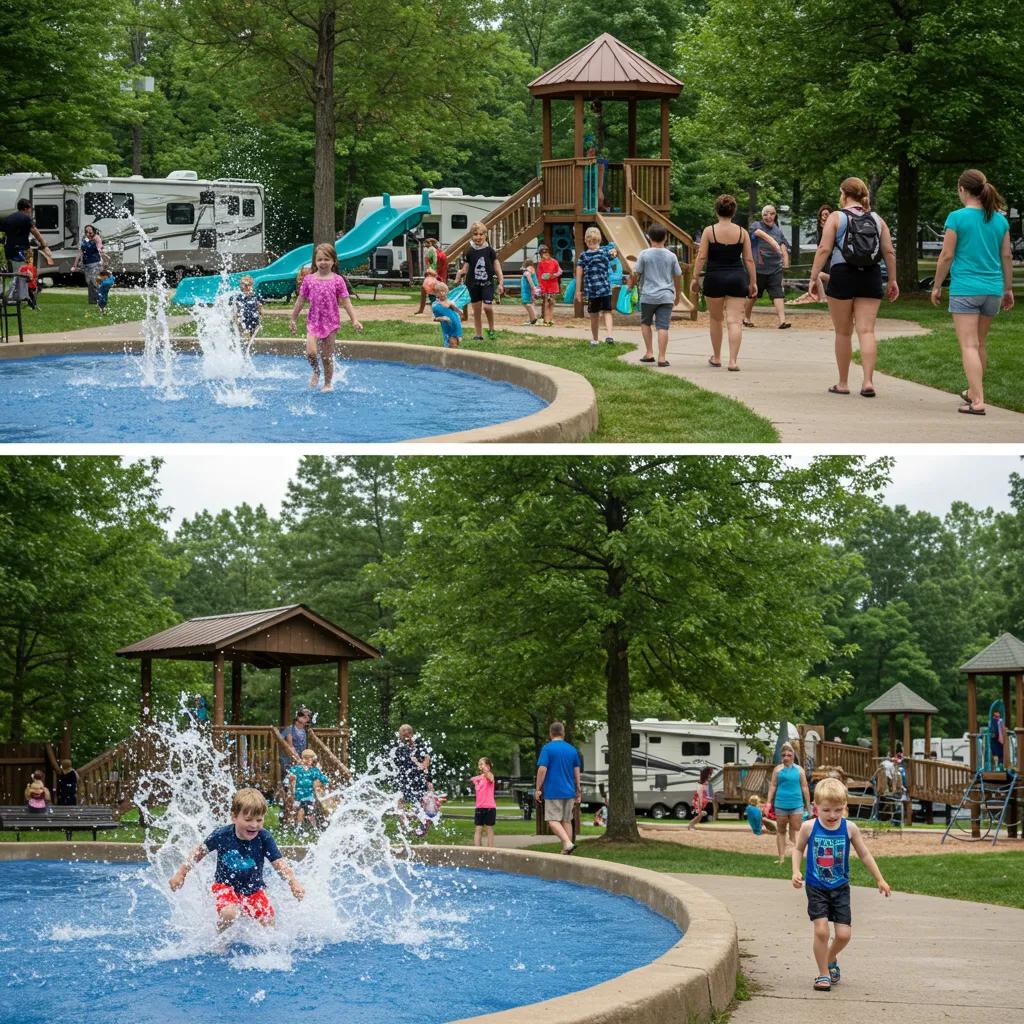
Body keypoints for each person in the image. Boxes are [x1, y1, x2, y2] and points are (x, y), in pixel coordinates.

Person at [792, 777, 891, 992]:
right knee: (821, 932)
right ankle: (823, 974)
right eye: (826, 810)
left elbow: (864, 854)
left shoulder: (850, 828)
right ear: (816, 806)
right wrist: (795, 871)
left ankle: (830, 958)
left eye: (838, 810)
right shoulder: (809, 827)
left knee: (844, 935)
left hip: (840, 888)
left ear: (845, 806)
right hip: (816, 886)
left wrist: (880, 879)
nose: (832, 815)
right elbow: (798, 849)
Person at [930, 169, 1014, 416]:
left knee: (968, 345)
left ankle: (978, 400)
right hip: (992, 289)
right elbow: (1006, 255)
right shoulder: (1000, 220)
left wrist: (936, 285)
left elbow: (946, 255)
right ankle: (971, 390)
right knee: (980, 344)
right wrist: (1008, 288)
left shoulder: (957, 218)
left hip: (966, 288)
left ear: (962, 190)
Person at [809, 177, 899, 398]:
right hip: (871, 275)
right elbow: (889, 252)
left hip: (843, 274)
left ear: (844, 194)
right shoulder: (877, 219)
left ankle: (843, 382)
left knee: (843, 331)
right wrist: (893, 280)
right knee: (867, 331)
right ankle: (868, 382)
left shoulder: (836, 217)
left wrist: (813, 277)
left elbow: (823, 249)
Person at [168, 787, 304, 931]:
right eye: (248, 819)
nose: (254, 825)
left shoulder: (264, 838)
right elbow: (198, 853)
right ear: (234, 817)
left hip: (254, 889)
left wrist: (293, 882)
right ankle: (220, 938)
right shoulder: (221, 835)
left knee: (268, 922)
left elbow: (279, 864)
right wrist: (181, 873)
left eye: (259, 819)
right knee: (230, 913)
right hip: (225, 886)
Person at [690, 196, 757, 371]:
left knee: (716, 319)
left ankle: (717, 357)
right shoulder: (743, 232)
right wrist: (753, 282)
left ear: (716, 210)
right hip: (737, 277)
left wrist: (695, 278)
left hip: (715, 278)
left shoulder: (709, 231)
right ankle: (733, 361)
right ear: (734, 211)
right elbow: (749, 260)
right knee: (734, 321)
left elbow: (702, 256)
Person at [289, 243, 364, 392]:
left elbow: (346, 301)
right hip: (313, 322)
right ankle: (316, 371)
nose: (323, 262)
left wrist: (354, 319)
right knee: (311, 352)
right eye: (320, 259)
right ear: (315, 262)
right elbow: (300, 300)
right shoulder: (309, 279)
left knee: (327, 357)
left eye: (326, 259)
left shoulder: (338, 280)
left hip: (331, 323)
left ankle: (328, 383)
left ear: (333, 261)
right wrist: (293, 318)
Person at [628, 223, 684, 367]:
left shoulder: (644, 254)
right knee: (663, 326)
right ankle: (662, 357)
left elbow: (636, 273)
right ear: (665, 238)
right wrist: (677, 294)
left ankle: (649, 352)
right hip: (666, 296)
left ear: (648, 237)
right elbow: (678, 276)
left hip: (648, 296)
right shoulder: (671, 256)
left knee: (646, 323)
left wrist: (630, 285)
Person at [535, 721, 582, 855]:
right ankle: (567, 850)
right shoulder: (572, 750)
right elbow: (576, 771)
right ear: (563, 733)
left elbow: (542, 769)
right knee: (566, 820)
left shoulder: (547, 748)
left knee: (552, 820)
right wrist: (578, 789)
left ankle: (567, 843)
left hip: (553, 791)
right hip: (569, 791)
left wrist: (538, 788)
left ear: (551, 734)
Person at [743, 204, 791, 329]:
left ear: (775, 215)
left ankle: (782, 321)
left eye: (771, 214)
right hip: (757, 268)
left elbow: (783, 245)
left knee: (778, 293)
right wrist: (773, 242)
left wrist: (785, 261)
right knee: (753, 295)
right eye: (765, 214)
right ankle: (746, 317)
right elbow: (759, 233)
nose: (768, 216)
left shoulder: (777, 230)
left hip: (775, 268)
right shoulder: (756, 225)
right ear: (762, 216)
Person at [455, 221, 504, 341]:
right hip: (473, 284)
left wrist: (501, 282)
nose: (478, 237)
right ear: (472, 236)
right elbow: (465, 268)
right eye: (475, 234)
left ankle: (492, 329)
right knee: (476, 311)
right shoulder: (469, 251)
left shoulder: (490, 251)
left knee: (487, 307)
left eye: (481, 234)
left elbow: (497, 268)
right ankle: (478, 334)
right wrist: (458, 274)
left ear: (486, 235)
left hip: (487, 283)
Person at [766, 741, 811, 865]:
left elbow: (805, 787)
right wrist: (768, 802)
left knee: (797, 830)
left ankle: (797, 857)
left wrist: (809, 804)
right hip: (780, 804)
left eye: (789, 755)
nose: (786, 757)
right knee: (780, 831)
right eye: (784, 755)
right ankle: (781, 858)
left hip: (796, 804)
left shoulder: (799, 770)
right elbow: (773, 786)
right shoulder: (777, 770)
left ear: (793, 755)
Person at [575, 226, 614, 347]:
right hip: (606, 289)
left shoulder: (584, 256)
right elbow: (613, 250)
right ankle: (609, 335)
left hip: (592, 291)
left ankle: (595, 339)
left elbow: (579, 274)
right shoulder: (605, 252)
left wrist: (578, 291)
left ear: (586, 241)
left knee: (594, 315)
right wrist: (613, 250)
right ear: (600, 240)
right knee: (607, 312)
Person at [792, 205, 835, 304]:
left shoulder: (833, 231)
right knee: (817, 275)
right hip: (826, 262)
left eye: (826, 214)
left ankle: (823, 298)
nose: (824, 217)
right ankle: (822, 297)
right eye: (822, 215)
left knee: (817, 275)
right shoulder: (820, 232)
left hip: (834, 265)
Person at [1, 198, 54, 273]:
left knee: (14, 273)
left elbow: (4, 235)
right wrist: (44, 245)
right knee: (28, 271)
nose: (31, 211)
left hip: (9, 250)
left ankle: (15, 283)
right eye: (30, 209)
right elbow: (35, 232)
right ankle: (27, 284)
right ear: (26, 208)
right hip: (24, 249)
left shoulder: (8, 219)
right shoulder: (26, 218)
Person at [391, 724, 431, 820]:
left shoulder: (419, 746)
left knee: (422, 804)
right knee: (401, 803)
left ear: (412, 734)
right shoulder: (397, 748)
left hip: (418, 780)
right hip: (404, 781)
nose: (406, 734)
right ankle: (404, 825)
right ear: (400, 735)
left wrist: (428, 780)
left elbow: (426, 763)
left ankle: (421, 825)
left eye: (408, 732)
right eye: (403, 732)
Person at [287, 748, 330, 830]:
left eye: (311, 758)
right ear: (303, 759)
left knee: (308, 812)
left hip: (309, 795)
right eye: (307, 758)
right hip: (298, 795)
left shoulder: (314, 771)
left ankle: (309, 828)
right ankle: (301, 827)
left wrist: (324, 783)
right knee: (302, 811)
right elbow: (289, 775)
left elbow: (324, 779)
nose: (309, 760)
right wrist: (291, 778)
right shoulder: (297, 769)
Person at [70, 224, 105, 304]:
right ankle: (92, 301)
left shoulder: (96, 238)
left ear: (93, 231)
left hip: (96, 263)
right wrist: (74, 265)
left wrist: (102, 258)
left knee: (94, 281)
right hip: (87, 264)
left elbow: (100, 248)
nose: (88, 233)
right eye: (86, 232)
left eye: (90, 232)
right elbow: (80, 252)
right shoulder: (85, 239)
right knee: (89, 282)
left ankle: (99, 300)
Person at [471, 756, 496, 848]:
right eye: (479, 764)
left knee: (489, 828)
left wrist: (486, 770)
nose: (480, 766)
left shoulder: (490, 775)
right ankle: (477, 849)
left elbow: (490, 778)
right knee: (478, 829)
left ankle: (490, 849)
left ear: (488, 766)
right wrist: (474, 780)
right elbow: (473, 778)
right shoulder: (479, 778)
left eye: (482, 764)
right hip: (479, 807)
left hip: (489, 807)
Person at [431, 280, 463, 348]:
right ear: (436, 294)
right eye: (439, 292)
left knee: (454, 341)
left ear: (447, 292)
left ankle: (453, 352)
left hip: (454, 324)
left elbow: (456, 310)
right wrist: (443, 318)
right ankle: (449, 353)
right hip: (446, 325)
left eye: (444, 291)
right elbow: (434, 318)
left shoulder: (449, 302)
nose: (442, 293)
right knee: (448, 340)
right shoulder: (435, 305)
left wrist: (460, 311)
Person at [536, 244, 562, 326]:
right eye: (542, 253)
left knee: (552, 302)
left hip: (553, 285)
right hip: (545, 286)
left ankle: (550, 319)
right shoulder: (540, 263)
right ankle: (546, 320)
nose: (545, 254)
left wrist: (553, 275)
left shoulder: (554, 262)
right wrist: (541, 286)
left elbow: (559, 271)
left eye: (546, 252)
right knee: (546, 302)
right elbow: (539, 276)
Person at [235, 275, 263, 344]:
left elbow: (260, 307)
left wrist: (261, 314)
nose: (247, 287)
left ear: (252, 285)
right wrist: (237, 317)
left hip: (254, 319)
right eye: (245, 285)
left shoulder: (255, 295)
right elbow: (237, 309)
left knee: (254, 336)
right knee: (244, 336)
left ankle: (252, 347)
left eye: (249, 285)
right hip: (244, 319)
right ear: (242, 287)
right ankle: (244, 346)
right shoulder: (239, 297)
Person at [519, 257, 541, 325]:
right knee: (531, 303)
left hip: (528, 289)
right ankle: (532, 318)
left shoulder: (528, 270)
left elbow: (528, 276)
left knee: (527, 303)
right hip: (531, 289)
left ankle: (533, 318)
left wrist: (533, 287)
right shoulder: (531, 268)